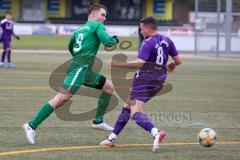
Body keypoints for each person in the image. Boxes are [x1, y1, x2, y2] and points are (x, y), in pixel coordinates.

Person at [23, 4, 119, 145]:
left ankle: (98, 121)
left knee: (108, 87)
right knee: (62, 98)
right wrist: (115, 39)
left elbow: (70, 46)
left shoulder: (79, 29)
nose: (104, 18)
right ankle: (31, 126)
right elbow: (108, 43)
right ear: (93, 14)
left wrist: (79, 57)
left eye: (105, 16)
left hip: (83, 69)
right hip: (80, 69)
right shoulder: (97, 26)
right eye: (102, 15)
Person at [100, 16, 182, 152]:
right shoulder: (167, 40)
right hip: (159, 81)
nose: (141, 32)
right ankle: (111, 138)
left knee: (135, 113)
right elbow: (178, 60)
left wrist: (119, 64)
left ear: (149, 29)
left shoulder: (147, 43)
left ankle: (156, 133)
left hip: (143, 80)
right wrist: (172, 64)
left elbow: (139, 63)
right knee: (127, 106)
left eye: (142, 29)